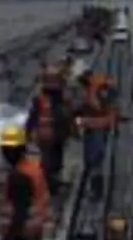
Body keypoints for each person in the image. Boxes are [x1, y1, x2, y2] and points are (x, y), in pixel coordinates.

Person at [25, 64, 73, 193]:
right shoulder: (61, 100)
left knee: (49, 160)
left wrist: (28, 132)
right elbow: (66, 116)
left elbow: (33, 117)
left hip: (46, 134)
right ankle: (51, 184)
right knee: (53, 161)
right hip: (55, 134)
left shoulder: (40, 99)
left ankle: (50, 183)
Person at [75, 67, 118, 199]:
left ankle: (97, 190)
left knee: (95, 159)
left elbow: (99, 108)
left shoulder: (99, 87)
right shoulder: (94, 87)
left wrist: (81, 115)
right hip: (92, 126)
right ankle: (95, 187)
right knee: (90, 158)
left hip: (98, 126)